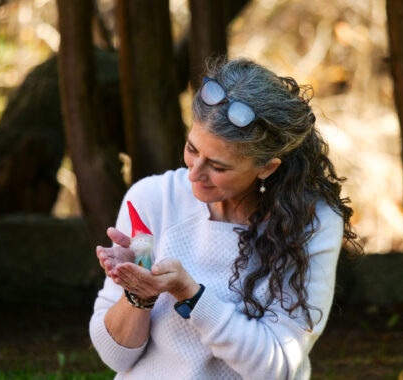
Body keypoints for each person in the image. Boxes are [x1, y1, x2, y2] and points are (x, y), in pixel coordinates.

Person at [90, 57, 358, 380]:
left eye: (217, 167)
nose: (194, 173)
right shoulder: (150, 199)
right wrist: (139, 293)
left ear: (267, 167)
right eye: (192, 149)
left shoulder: (311, 223)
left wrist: (191, 294)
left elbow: (276, 367)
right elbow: (115, 357)